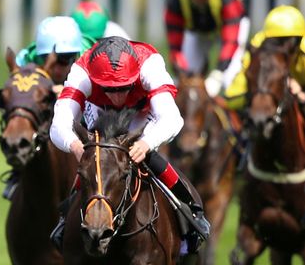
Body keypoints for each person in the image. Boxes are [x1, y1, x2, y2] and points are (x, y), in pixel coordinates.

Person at [48, 36, 210, 251]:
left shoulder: (150, 65)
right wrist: (75, 146)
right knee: (97, 159)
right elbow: (58, 123)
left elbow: (172, 119)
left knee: (143, 153)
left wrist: (146, 143)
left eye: (123, 87)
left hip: (142, 113)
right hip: (100, 110)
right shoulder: (81, 73)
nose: (117, 96)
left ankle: (190, 209)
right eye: (109, 89)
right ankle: (65, 217)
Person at [1, 16, 95, 200]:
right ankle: (18, 172)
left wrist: (71, 93)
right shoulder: (24, 59)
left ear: (76, 54)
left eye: (65, 60)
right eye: (47, 58)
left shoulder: (92, 59)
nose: (57, 69)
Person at [164, 0, 249, 98]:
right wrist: (183, 73)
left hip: (231, 33)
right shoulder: (175, 0)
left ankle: (240, 116)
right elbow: (175, 47)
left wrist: (218, 74)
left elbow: (231, 41)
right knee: (188, 82)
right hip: (198, 32)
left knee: (231, 81)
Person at [224, 5, 305, 111]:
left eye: (289, 44)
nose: (282, 52)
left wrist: (300, 93)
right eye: (276, 43)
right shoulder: (258, 51)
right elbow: (232, 99)